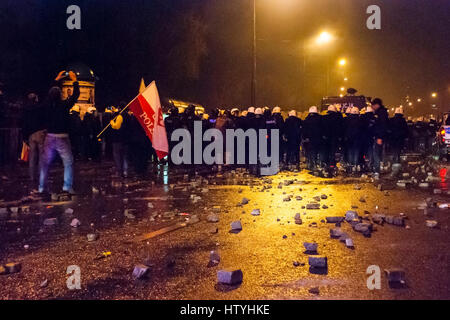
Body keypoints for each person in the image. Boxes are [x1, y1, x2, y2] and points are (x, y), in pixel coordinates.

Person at [38, 70, 80, 194]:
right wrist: (75, 81)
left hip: (49, 136)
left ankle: (41, 187)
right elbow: (75, 95)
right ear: (61, 94)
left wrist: (56, 80)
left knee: (45, 164)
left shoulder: (47, 105)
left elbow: (47, 93)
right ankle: (67, 187)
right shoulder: (64, 105)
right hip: (62, 137)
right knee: (68, 162)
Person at [22, 92, 46, 182]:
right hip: (40, 132)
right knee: (41, 156)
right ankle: (41, 176)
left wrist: (25, 136)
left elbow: (24, 123)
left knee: (32, 157)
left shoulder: (26, 109)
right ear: (35, 99)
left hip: (30, 135)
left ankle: (32, 177)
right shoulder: (39, 108)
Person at [371, 98, 389, 175]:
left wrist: (379, 137)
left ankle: (377, 170)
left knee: (376, 153)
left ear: (377, 105)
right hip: (380, 136)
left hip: (379, 136)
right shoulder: (381, 112)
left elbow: (382, 126)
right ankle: (379, 168)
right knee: (378, 152)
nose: (372, 107)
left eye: (373, 105)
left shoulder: (381, 113)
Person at [344, 107, 362, 171]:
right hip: (358, 138)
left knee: (350, 151)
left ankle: (351, 164)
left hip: (349, 138)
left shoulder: (347, 119)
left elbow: (344, 129)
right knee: (356, 151)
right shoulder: (360, 119)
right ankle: (355, 164)